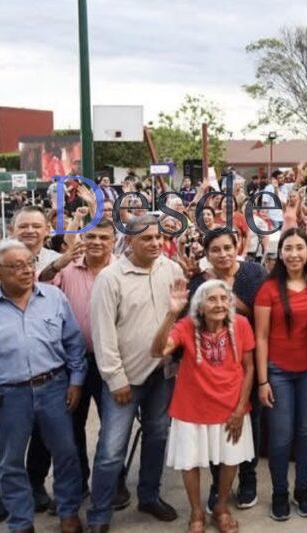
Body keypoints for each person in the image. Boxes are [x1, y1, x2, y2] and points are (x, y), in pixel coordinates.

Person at [0, 240, 87, 533]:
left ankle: (69, 511)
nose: (26, 271)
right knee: (9, 462)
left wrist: (76, 382)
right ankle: (21, 521)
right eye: (16, 266)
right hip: (7, 396)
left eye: (29, 264)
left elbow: (74, 344)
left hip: (54, 388)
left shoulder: (54, 298)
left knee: (66, 453)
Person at [87, 216, 187, 532]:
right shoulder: (110, 278)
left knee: (157, 437)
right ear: (129, 241)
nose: (156, 243)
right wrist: (115, 379)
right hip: (125, 378)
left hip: (162, 375)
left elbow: (180, 316)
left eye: (159, 238)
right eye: (147, 239)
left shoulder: (171, 269)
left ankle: (149, 495)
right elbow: (102, 333)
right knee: (111, 450)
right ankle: (99, 513)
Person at [0, 206, 63, 521]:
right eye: (24, 226)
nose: (31, 231)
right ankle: (0, 493)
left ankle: (36, 484)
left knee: (42, 437)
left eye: (37, 225)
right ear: (13, 229)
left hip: (44, 367)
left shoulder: (52, 259)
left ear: (47, 229)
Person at [34, 219, 129, 509]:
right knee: (72, 425)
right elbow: (39, 283)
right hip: (73, 362)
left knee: (114, 427)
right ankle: (78, 482)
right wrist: (59, 263)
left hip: (112, 361)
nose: (97, 242)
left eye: (103, 237)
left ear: (113, 242)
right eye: (91, 237)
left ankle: (114, 482)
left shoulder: (122, 270)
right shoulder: (67, 269)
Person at [152, 279, 256, 533]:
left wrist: (241, 408)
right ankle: (197, 511)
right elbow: (157, 351)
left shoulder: (241, 324)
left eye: (224, 298)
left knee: (231, 460)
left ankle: (220, 506)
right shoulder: (187, 326)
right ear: (199, 306)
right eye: (212, 299)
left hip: (230, 407)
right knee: (190, 462)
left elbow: (249, 367)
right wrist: (171, 313)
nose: (219, 304)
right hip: (191, 408)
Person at [187, 229, 268, 511]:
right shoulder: (198, 280)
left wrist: (222, 288)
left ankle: (248, 477)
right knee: (214, 428)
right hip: (211, 366)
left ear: (238, 247)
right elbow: (193, 318)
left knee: (249, 420)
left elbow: (260, 314)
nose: (223, 254)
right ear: (207, 254)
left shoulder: (255, 273)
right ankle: (217, 483)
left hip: (247, 358)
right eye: (215, 250)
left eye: (227, 248)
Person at [253, 228, 307, 521]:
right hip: (278, 372)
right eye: (288, 248)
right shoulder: (268, 289)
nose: (294, 254)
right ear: (280, 253)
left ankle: (303, 489)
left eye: (299, 248)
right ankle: (280, 492)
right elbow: (260, 337)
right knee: (281, 437)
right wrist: (262, 380)